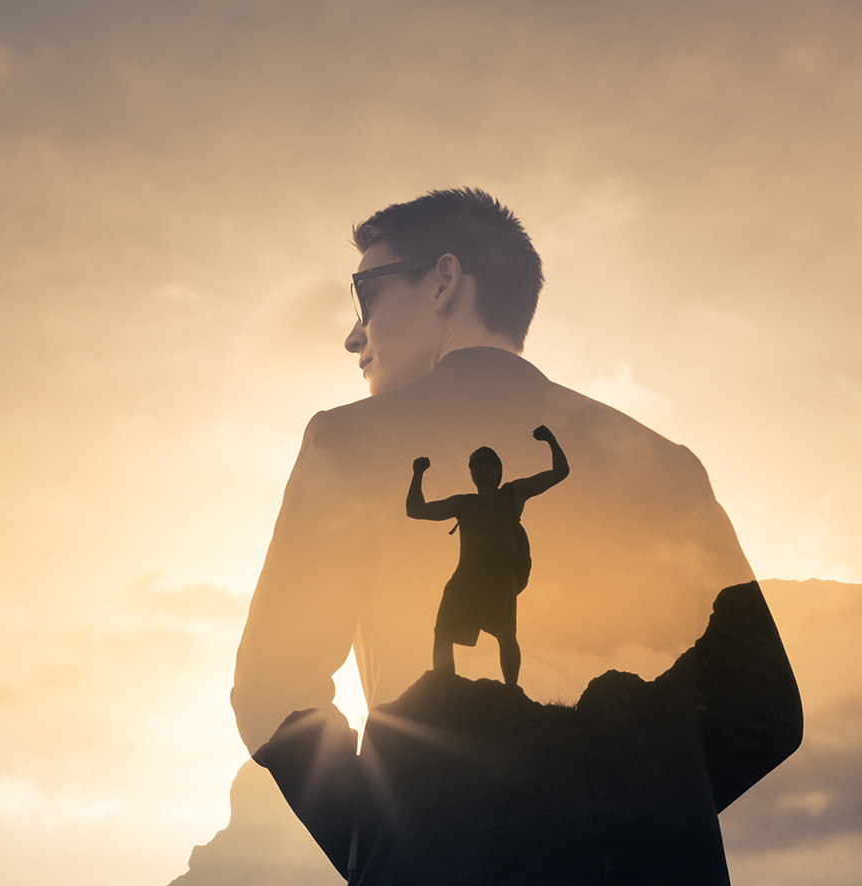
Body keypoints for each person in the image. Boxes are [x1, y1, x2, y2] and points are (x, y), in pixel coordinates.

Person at [232, 187, 755, 756]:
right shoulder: (672, 468)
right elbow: (764, 710)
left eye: (368, 297)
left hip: (440, 839)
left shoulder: (347, 442)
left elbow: (272, 688)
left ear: (443, 282)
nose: (353, 335)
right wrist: (649, 814)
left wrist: (389, 832)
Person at [406, 426, 569, 686]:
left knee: (504, 631)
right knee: (444, 631)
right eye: (472, 465)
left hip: (500, 574)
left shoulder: (512, 493)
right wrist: (417, 475)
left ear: (497, 469)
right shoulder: (463, 503)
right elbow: (415, 510)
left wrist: (550, 439)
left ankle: (511, 691)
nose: (476, 467)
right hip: (465, 576)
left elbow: (560, 472)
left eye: (483, 462)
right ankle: (444, 686)